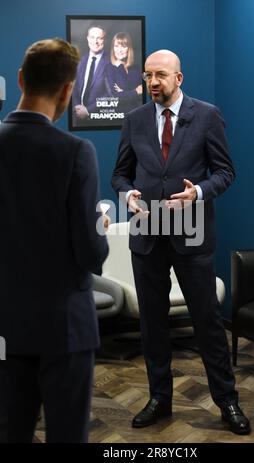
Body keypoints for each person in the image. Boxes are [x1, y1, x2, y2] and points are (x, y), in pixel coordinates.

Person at [111, 50, 251, 435]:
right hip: (147, 235)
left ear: (179, 77)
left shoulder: (207, 115)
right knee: (152, 325)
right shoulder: (134, 119)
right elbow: (119, 175)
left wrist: (200, 193)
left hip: (192, 235)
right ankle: (160, 398)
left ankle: (227, 401)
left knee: (207, 323)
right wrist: (128, 196)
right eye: (147, 76)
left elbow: (226, 171)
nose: (153, 82)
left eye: (160, 75)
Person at [0, 38, 109, 443]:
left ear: (21, 79)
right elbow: (91, 252)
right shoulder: (76, 152)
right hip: (63, 328)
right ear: (67, 90)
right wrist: (99, 223)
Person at [72, 26, 109, 120]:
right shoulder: (80, 60)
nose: (95, 41)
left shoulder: (111, 62)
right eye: (92, 37)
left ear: (104, 40)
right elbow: (74, 87)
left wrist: (88, 110)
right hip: (77, 116)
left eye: (99, 38)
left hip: (100, 119)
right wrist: (77, 107)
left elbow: (111, 93)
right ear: (87, 38)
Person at [105, 32, 143, 113]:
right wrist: (135, 92)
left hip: (137, 112)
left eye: (123, 46)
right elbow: (116, 97)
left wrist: (124, 92)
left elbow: (144, 93)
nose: (119, 50)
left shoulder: (136, 68)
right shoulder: (110, 68)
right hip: (119, 115)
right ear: (113, 48)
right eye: (116, 46)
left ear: (129, 48)